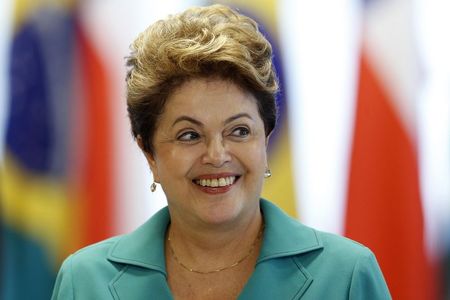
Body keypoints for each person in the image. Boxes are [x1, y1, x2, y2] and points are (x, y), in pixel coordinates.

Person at [51, 4, 391, 299]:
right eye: (189, 135)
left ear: (265, 140)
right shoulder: (84, 281)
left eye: (239, 131)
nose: (216, 155)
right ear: (149, 154)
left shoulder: (346, 276)